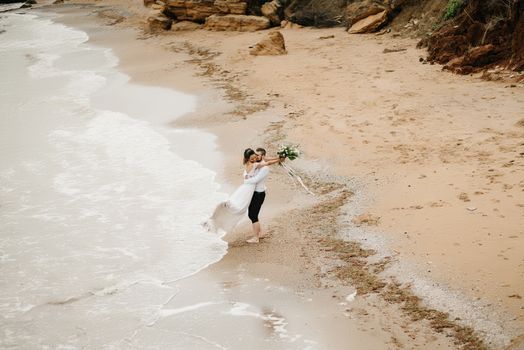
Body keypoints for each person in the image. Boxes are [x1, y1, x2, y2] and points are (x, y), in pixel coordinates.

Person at [204, 148, 281, 235]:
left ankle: (257, 236)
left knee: (247, 211)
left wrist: (278, 158)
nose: (255, 158)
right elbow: (266, 162)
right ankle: (258, 235)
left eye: (256, 156)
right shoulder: (255, 164)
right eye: (253, 157)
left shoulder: (252, 164)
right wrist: (278, 159)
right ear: (248, 159)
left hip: (249, 189)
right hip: (248, 189)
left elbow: (266, 160)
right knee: (241, 208)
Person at [244, 148, 282, 243]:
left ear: (262, 156)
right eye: (255, 155)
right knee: (252, 214)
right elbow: (266, 160)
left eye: (258, 155)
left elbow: (255, 179)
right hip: (253, 193)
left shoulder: (264, 168)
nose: (256, 156)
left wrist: (246, 181)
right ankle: (260, 233)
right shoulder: (257, 165)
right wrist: (278, 158)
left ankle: (256, 238)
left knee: (253, 215)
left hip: (258, 194)